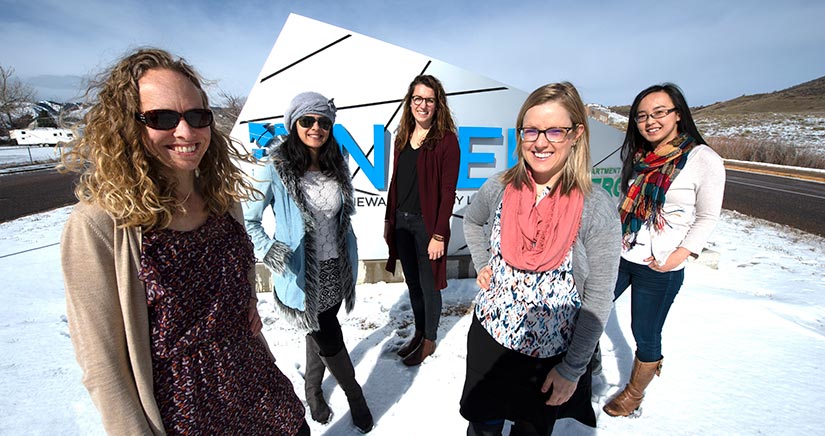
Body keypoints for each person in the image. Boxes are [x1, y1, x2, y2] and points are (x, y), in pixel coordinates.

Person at [59, 48, 308, 435]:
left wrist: (245, 309)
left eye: (197, 116)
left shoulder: (223, 203)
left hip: (263, 398)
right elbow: (102, 364)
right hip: (185, 416)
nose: (186, 132)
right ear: (128, 125)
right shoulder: (99, 225)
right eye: (161, 118)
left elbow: (234, 288)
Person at [461, 82, 621, 436]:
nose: (540, 141)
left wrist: (572, 369)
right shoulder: (500, 186)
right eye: (531, 129)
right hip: (490, 339)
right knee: (483, 427)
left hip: (549, 358)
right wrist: (483, 262)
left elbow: (598, 299)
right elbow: (472, 221)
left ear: (577, 134)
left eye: (555, 130)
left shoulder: (596, 208)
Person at [243, 91, 374, 433]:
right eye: (307, 120)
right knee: (328, 336)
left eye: (323, 121)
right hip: (302, 273)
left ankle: (312, 390)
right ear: (294, 123)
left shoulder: (336, 162)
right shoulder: (276, 166)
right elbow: (249, 218)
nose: (316, 127)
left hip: (335, 268)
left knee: (318, 326)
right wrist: (270, 250)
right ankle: (355, 395)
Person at [603, 83, 725, 417]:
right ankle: (585, 365)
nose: (650, 121)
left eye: (659, 112)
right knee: (590, 310)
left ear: (678, 114)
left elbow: (707, 216)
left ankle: (634, 393)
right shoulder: (641, 156)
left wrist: (679, 256)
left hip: (659, 265)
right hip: (622, 254)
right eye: (642, 116)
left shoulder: (703, 159)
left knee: (645, 330)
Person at [383, 74, 460, 366]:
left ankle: (429, 339)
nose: (423, 105)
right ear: (410, 102)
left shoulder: (447, 141)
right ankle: (418, 332)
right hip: (401, 222)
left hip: (427, 226)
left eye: (429, 99)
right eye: (418, 99)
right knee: (413, 284)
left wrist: (439, 234)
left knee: (429, 286)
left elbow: (446, 191)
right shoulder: (403, 137)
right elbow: (396, 182)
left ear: (437, 104)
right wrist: (389, 220)